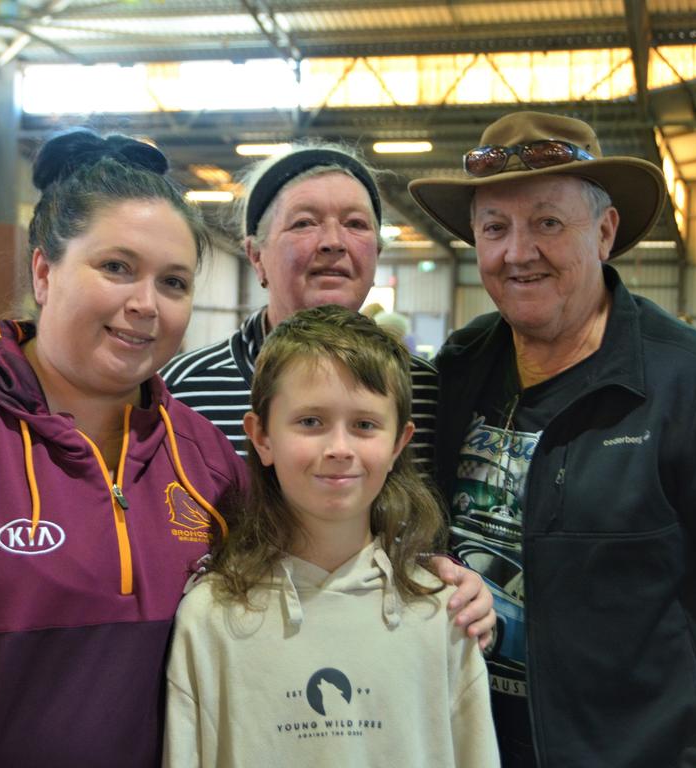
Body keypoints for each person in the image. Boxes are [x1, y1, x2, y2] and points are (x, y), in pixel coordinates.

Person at [409, 110, 696, 767]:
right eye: (495, 228)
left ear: (604, 232)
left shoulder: (688, 383)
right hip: (470, 743)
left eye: (548, 222)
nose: (518, 252)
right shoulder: (458, 369)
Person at [0, 130, 246, 767]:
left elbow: (311, 569)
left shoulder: (206, 460)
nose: (144, 305)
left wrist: (429, 577)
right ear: (45, 272)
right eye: (116, 268)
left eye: (173, 282)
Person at [160, 142, 496, 647]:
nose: (333, 242)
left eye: (356, 225)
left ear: (376, 255)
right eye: (304, 223)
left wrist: (463, 580)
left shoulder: (426, 390)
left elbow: (441, 537)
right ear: (256, 256)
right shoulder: (181, 393)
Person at [162, 305, 500, 768]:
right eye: (310, 422)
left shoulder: (443, 612)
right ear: (261, 437)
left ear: (400, 443)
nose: (339, 449)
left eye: (364, 425)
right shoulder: (210, 618)